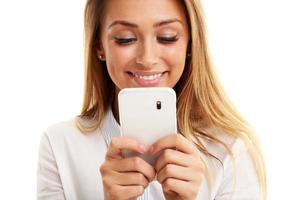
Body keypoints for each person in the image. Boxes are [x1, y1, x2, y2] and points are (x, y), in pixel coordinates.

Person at [37, 0, 267, 199]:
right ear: (100, 46)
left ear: (190, 43)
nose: (147, 59)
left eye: (167, 38)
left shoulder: (230, 150)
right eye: (125, 39)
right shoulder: (60, 145)